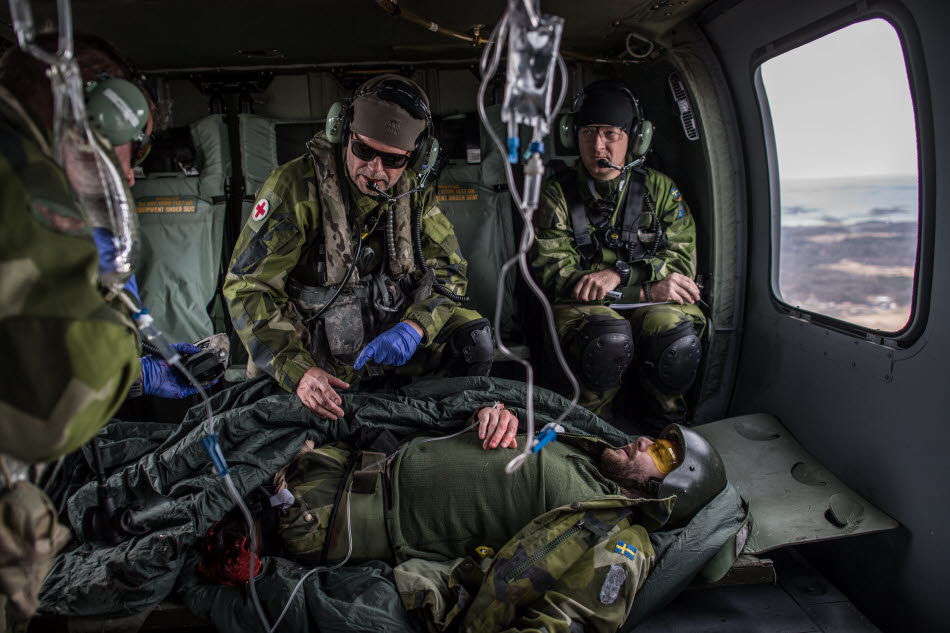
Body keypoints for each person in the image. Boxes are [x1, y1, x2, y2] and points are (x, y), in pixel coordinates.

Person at [0, 34, 208, 624]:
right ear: (97, 119)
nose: (132, 178)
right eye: (133, 154)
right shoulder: (25, 190)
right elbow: (57, 403)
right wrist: (122, 334)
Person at [273, 404, 727, 633]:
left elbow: (567, 621)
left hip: (337, 517)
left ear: (665, 491)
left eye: (662, 453)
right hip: (350, 457)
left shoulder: (618, 539)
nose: (644, 440)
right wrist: (494, 413)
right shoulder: (589, 456)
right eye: (656, 438)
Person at [224, 74, 492, 420]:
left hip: (391, 347)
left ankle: (448, 429)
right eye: (363, 150)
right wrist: (299, 371)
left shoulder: (413, 192)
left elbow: (450, 270)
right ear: (343, 133)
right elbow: (247, 286)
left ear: (415, 157)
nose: (374, 169)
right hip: (315, 358)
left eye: (393, 160)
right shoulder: (294, 188)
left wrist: (416, 326)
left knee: (474, 337)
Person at [532, 79, 706, 424]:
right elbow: (557, 275)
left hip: (651, 301)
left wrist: (625, 275)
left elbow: (681, 260)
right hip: (584, 309)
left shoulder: (659, 190)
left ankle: (664, 430)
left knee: (675, 338)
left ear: (635, 139)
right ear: (572, 136)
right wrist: (648, 286)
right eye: (587, 133)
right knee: (606, 339)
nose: (598, 146)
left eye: (610, 133)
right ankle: (590, 431)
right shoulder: (556, 194)